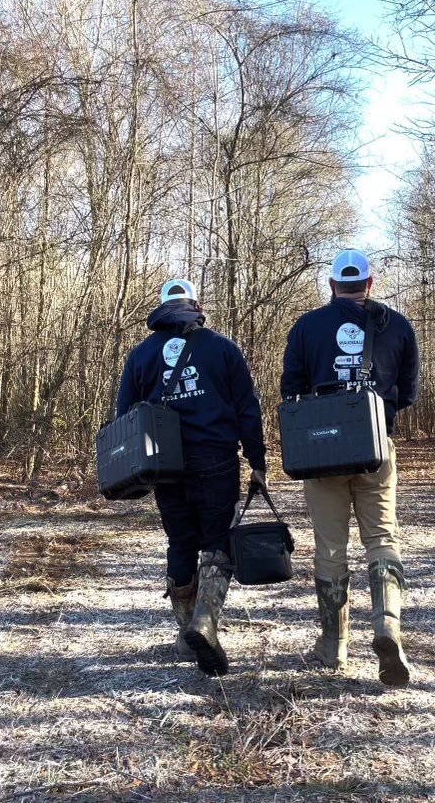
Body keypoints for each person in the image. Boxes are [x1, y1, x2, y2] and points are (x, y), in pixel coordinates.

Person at [280, 250, 419, 686]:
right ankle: (387, 626)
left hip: (323, 451)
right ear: (370, 284)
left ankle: (334, 646)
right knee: (381, 538)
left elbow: (290, 391)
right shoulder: (396, 325)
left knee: (330, 547)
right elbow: (410, 391)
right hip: (376, 447)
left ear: (332, 285)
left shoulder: (306, 327)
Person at [117, 278, 266, 676]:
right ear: (196, 305)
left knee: (180, 543)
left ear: (162, 307)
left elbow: (125, 419)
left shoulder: (141, 356)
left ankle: (186, 635)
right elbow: (247, 409)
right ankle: (205, 621)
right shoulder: (223, 348)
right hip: (217, 458)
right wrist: (258, 461)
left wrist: (135, 471)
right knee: (216, 542)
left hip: (166, 467)